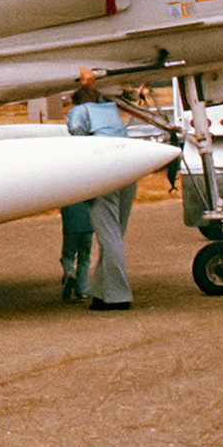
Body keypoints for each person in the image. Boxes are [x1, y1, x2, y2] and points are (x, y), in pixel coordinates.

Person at [66, 70, 137, 311]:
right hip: (129, 171)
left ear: (77, 100)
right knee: (115, 234)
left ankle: (119, 296)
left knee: (108, 237)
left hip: (106, 172)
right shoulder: (109, 109)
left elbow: (76, 132)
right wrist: (90, 82)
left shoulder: (79, 111)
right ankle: (101, 293)